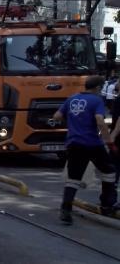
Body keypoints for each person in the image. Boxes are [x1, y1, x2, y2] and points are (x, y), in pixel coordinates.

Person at [51, 75, 118, 225]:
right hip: (93, 143)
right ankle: (107, 204)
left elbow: (56, 116)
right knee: (109, 171)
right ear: (98, 88)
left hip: (74, 143)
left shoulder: (72, 98)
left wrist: (73, 122)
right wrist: (109, 141)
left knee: (73, 178)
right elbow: (100, 121)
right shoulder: (97, 100)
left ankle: (66, 210)